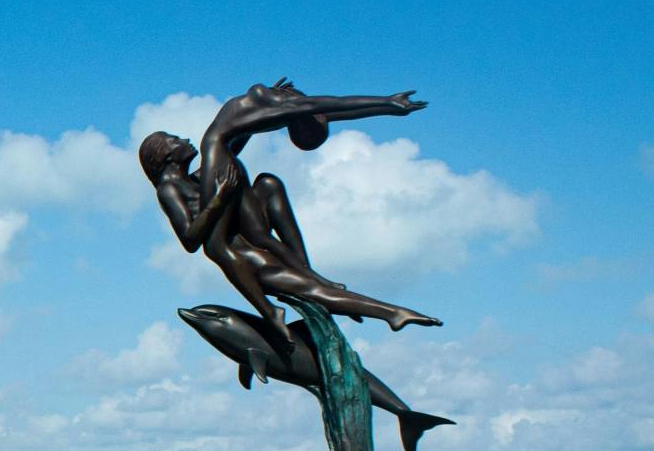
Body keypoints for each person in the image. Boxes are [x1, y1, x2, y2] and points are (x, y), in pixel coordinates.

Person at [140, 80, 440, 342]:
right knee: (224, 252)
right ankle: (382, 312)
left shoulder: (204, 168)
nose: (183, 139)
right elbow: (191, 242)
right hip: (240, 257)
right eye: (174, 139)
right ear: (165, 154)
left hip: (249, 240)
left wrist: (384, 105)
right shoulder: (171, 187)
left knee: (268, 186)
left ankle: (374, 306)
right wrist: (385, 104)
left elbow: (305, 110)